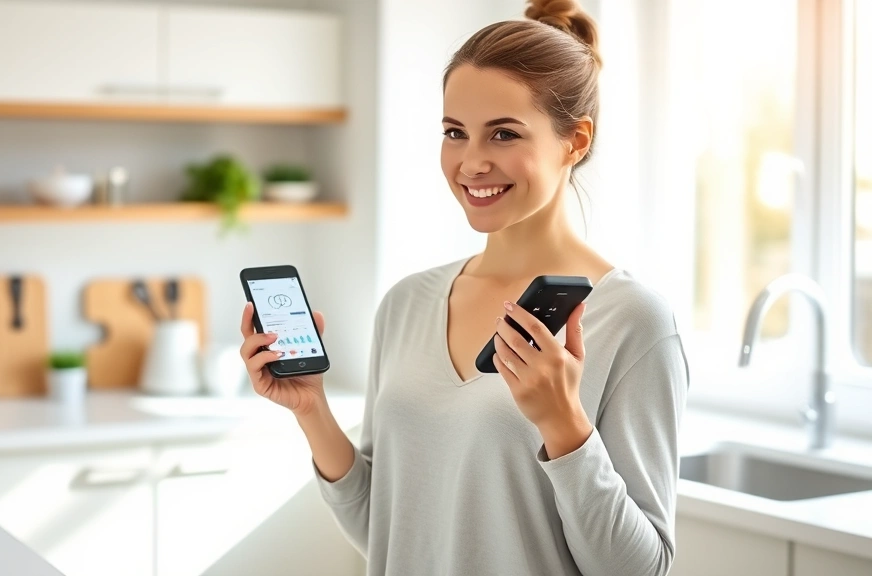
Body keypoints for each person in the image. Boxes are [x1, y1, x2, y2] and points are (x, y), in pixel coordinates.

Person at [239, 0, 690, 574]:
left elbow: (641, 569)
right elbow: (386, 533)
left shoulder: (632, 320)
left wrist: (564, 426)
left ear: (575, 142)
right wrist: (311, 409)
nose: (471, 162)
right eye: (455, 132)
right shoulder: (406, 303)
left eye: (503, 134)